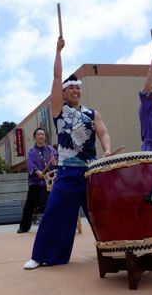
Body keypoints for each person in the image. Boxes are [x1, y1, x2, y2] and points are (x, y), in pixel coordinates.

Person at [23, 36, 112, 270]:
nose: (75, 90)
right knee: (54, 212)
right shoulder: (58, 110)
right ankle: (42, 255)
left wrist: (107, 149)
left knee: (101, 212)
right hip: (67, 171)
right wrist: (58, 52)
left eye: (77, 87)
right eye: (70, 87)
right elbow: (56, 77)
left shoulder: (92, 113)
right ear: (63, 93)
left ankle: (115, 248)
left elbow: (103, 133)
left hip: (91, 171)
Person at [16, 127, 57, 234]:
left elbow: (57, 162)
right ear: (35, 137)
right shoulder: (31, 151)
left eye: (43, 134)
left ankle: (51, 227)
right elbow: (30, 164)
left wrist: (55, 163)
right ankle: (24, 227)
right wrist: (36, 171)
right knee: (29, 205)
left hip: (48, 182)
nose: (41, 136)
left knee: (47, 204)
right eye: (39, 134)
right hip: (35, 182)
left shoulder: (51, 150)